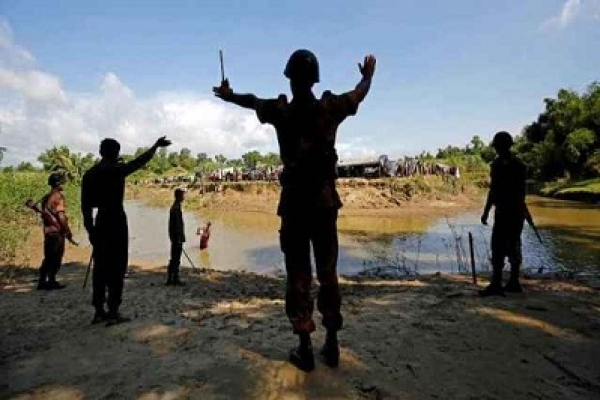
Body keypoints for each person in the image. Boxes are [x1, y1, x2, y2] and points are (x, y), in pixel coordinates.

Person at [213, 49, 376, 371]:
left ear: (288, 78)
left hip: (295, 207)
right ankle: (331, 344)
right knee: (328, 275)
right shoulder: (330, 109)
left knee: (299, 277)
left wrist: (229, 96)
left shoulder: (280, 111)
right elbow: (359, 94)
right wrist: (368, 73)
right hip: (325, 204)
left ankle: (305, 346)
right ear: (316, 79)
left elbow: (251, 101)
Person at [81, 136, 171, 325]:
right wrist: (155, 146)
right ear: (116, 153)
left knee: (100, 268)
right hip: (117, 220)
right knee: (117, 267)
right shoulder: (118, 170)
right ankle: (113, 311)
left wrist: (91, 231)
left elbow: (86, 207)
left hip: (101, 221)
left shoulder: (90, 174)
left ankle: (98, 310)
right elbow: (140, 161)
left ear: (100, 153)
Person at [480, 131, 527, 296]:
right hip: (517, 212)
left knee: (498, 246)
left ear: (499, 147)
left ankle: (497, 283)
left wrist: (486, 212)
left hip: (505, 212)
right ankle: (514, 282)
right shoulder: (520, 165)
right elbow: (522, 193)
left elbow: (493, 191)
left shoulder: (498, 165)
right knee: (514, 244)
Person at [36, 172, 74, 290]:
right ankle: (51, 280)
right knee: (56, 256)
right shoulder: (57, 196)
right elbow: (61, 216)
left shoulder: (46, 197)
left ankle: (43, 280)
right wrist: (67, 231)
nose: (63, 184)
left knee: (48, 256)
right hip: (56, 232)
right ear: (58, 184)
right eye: (62, 182)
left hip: (48, 231)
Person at [167, 187, 186, 286]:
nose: (184, 196)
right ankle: (174, 278)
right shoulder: (175, 208)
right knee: (176, 258)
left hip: (175, 237)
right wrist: (179, 238)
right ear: (178, 196)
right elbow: (177, 225)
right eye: (182, 195)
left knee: (174, 258)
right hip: (176, 237)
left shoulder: (175, 206)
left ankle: (171, 278)